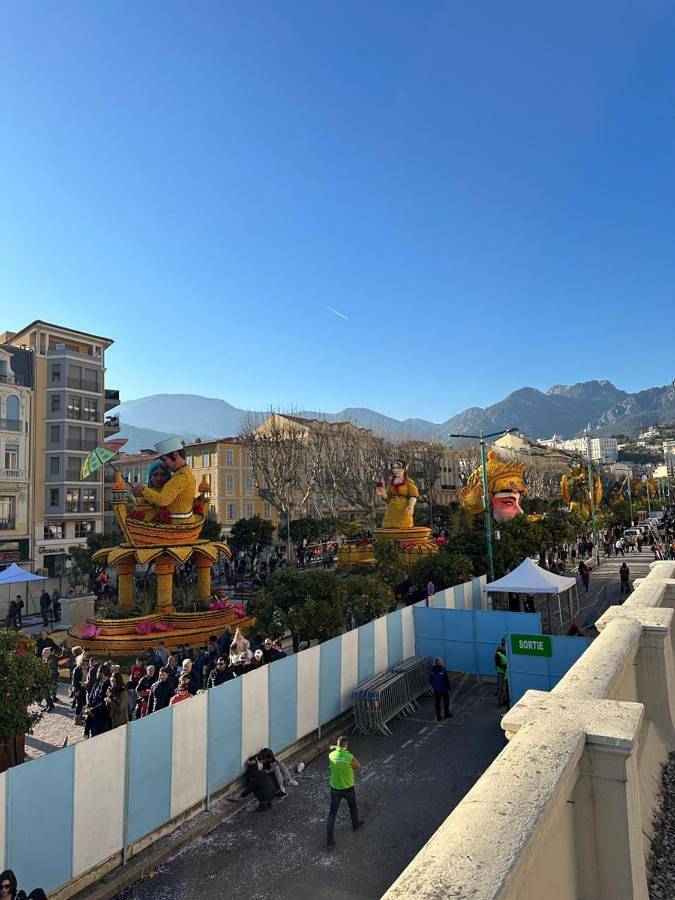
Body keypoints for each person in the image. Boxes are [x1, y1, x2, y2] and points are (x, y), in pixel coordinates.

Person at [131, 437, 197, 522]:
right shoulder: (183, 473)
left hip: (179, 524)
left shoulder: (181, 477)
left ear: (175, 455)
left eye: (165, 460)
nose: (164, 465)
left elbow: (163, 500)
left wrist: (143, 490)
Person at [326, 736, 364, 849]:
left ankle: (329, 839)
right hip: (347, 787)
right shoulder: (349, 756)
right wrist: (348, 763)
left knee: (332, 813)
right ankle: (355, 824)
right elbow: (358, 766)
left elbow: (333, 764)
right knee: (352, 807)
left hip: (335, 787)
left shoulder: (331, 755)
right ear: (346, 744)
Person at [375, 460, 419, 529]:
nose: (395, 470)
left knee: (404, 528)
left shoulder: (408, 482)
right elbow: (387, 498)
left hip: (404, 510)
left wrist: (411, 505)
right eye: (393, 468)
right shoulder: (391, 483)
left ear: (404, 468)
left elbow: (414, 495)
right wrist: (382, 493)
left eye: (398, 468)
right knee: (388, 528)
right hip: (391, 511)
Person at [84, 664, 112, 737]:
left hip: (100, 715)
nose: (97, 673)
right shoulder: (97, 682)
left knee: (96, 735)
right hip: (92, 713)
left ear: (103, 673)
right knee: (90, 732)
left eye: (99, 672)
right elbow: (91, 695)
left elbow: (104, 701)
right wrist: (88, 705)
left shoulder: (108, 685)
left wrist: (93, 709)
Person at [42, 647, 59, 712]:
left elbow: (53, 671)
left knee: (47, 692)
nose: (43, 654)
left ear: (49, 653)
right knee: (46, 693)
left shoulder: (52, 660)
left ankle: (50, 705)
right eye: (43, 653)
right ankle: (49, 705)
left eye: (45, 653)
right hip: (47, 678)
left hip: (51, 678)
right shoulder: (45, 659)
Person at [494, 641, 509, 707]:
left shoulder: (507, 652)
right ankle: (499, 702)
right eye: (505, 646)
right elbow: (498, 664)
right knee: (501, 688)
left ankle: (505, 701)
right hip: (501, 673)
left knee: (506, 689)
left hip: (507, 673)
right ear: (502, 646)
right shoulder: (498, 654)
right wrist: (506, 666)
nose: (506, 648)